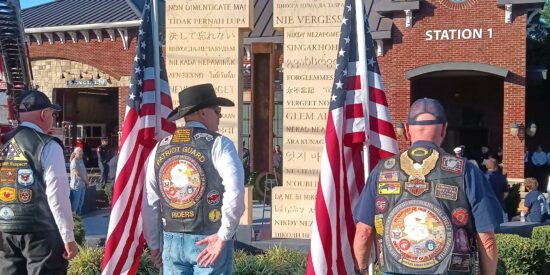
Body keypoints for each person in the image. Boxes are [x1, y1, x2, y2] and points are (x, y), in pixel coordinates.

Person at [353, 98, 501, 275]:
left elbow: (363, 232)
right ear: (444, 129)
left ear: (407, 130)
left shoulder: (382, 169)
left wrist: (361, 270)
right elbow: (487, 239)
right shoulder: (466, 171)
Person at [142, 84, 245, 274]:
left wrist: (154, 244)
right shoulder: (219, 144)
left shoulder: (160, 148)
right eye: (217, 111)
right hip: (209, 238)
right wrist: (224, 235)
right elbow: (236, 192)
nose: (220, 116)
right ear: (204, 113)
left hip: (171, 239)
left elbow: (150, 202)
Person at [0, 90, 78, 274]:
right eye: (52, 114)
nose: (52, 118)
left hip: (5, 228)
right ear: (44, 114)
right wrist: (68, 237)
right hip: (41, 231)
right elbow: (57, 195)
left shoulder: (4, 142)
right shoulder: (48, 145)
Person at [70, 147, 89, 215]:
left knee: (81, 202)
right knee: (76, 203)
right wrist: (85, 181)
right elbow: (77, 174)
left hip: (83, 185)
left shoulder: (81, 161)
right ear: (75, 154)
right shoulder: (74, 162)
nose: (81, 155)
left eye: (81, 153)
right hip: (77, 185)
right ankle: (74, 217)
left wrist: (87, 180)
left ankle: (79, 215)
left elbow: (84, 171)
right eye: (79, 153)